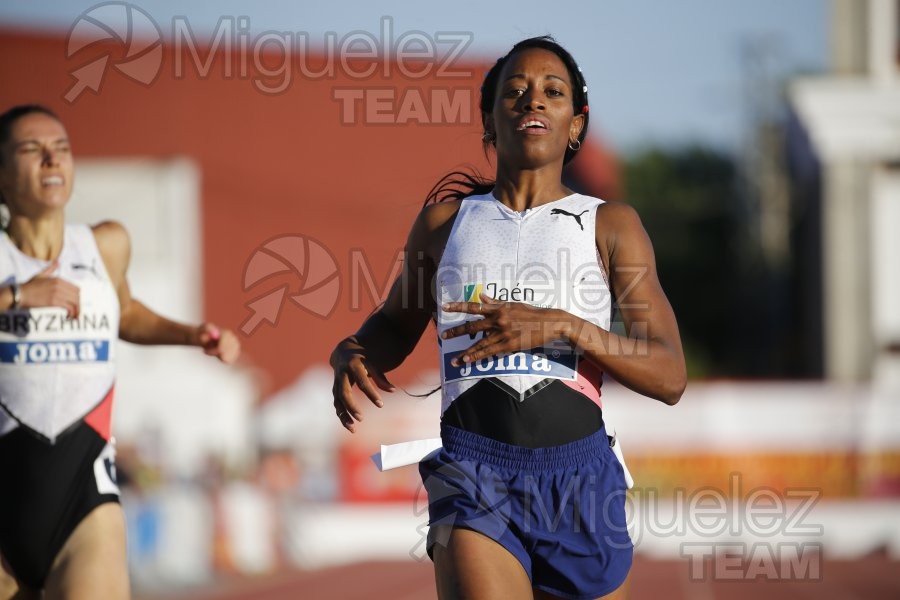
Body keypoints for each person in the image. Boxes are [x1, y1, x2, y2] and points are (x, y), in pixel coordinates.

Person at [330, 36, 686, 600]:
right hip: (474, 470)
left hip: (581, 481)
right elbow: (396, 325)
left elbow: (669, 375)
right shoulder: (445, 225)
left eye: (552, 92)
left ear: (576, 124)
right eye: (514, 93)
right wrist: (354, 348)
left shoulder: (611, 225)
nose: (533, 102)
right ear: (489, 124)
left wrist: (563, 325)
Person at [0, 104, 241, 600]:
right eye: (32, 150)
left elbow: (126, 312)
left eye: (61, 149)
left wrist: (191, 333)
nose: (52, 161)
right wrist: (19, 297)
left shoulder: (103, 246)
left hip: (83, 497)